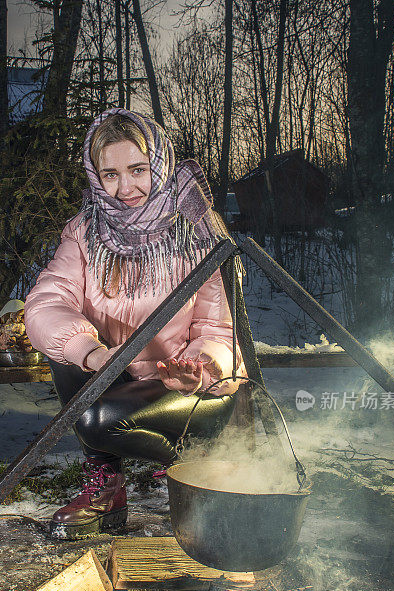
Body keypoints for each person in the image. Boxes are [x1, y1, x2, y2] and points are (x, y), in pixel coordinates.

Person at [24, 108, 246, 540]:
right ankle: (106, 489)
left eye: (138, 169)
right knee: (67, 350)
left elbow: (220, 332)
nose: (125, 188)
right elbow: (48, 301)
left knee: (94, 421)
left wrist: (201, 369)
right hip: (116, 376)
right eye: (110, 174)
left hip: (187, 386)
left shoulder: (196, 233)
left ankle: (193, 458)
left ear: (159, 164)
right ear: (95, 176)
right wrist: (91, 352)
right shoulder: (85, 232)